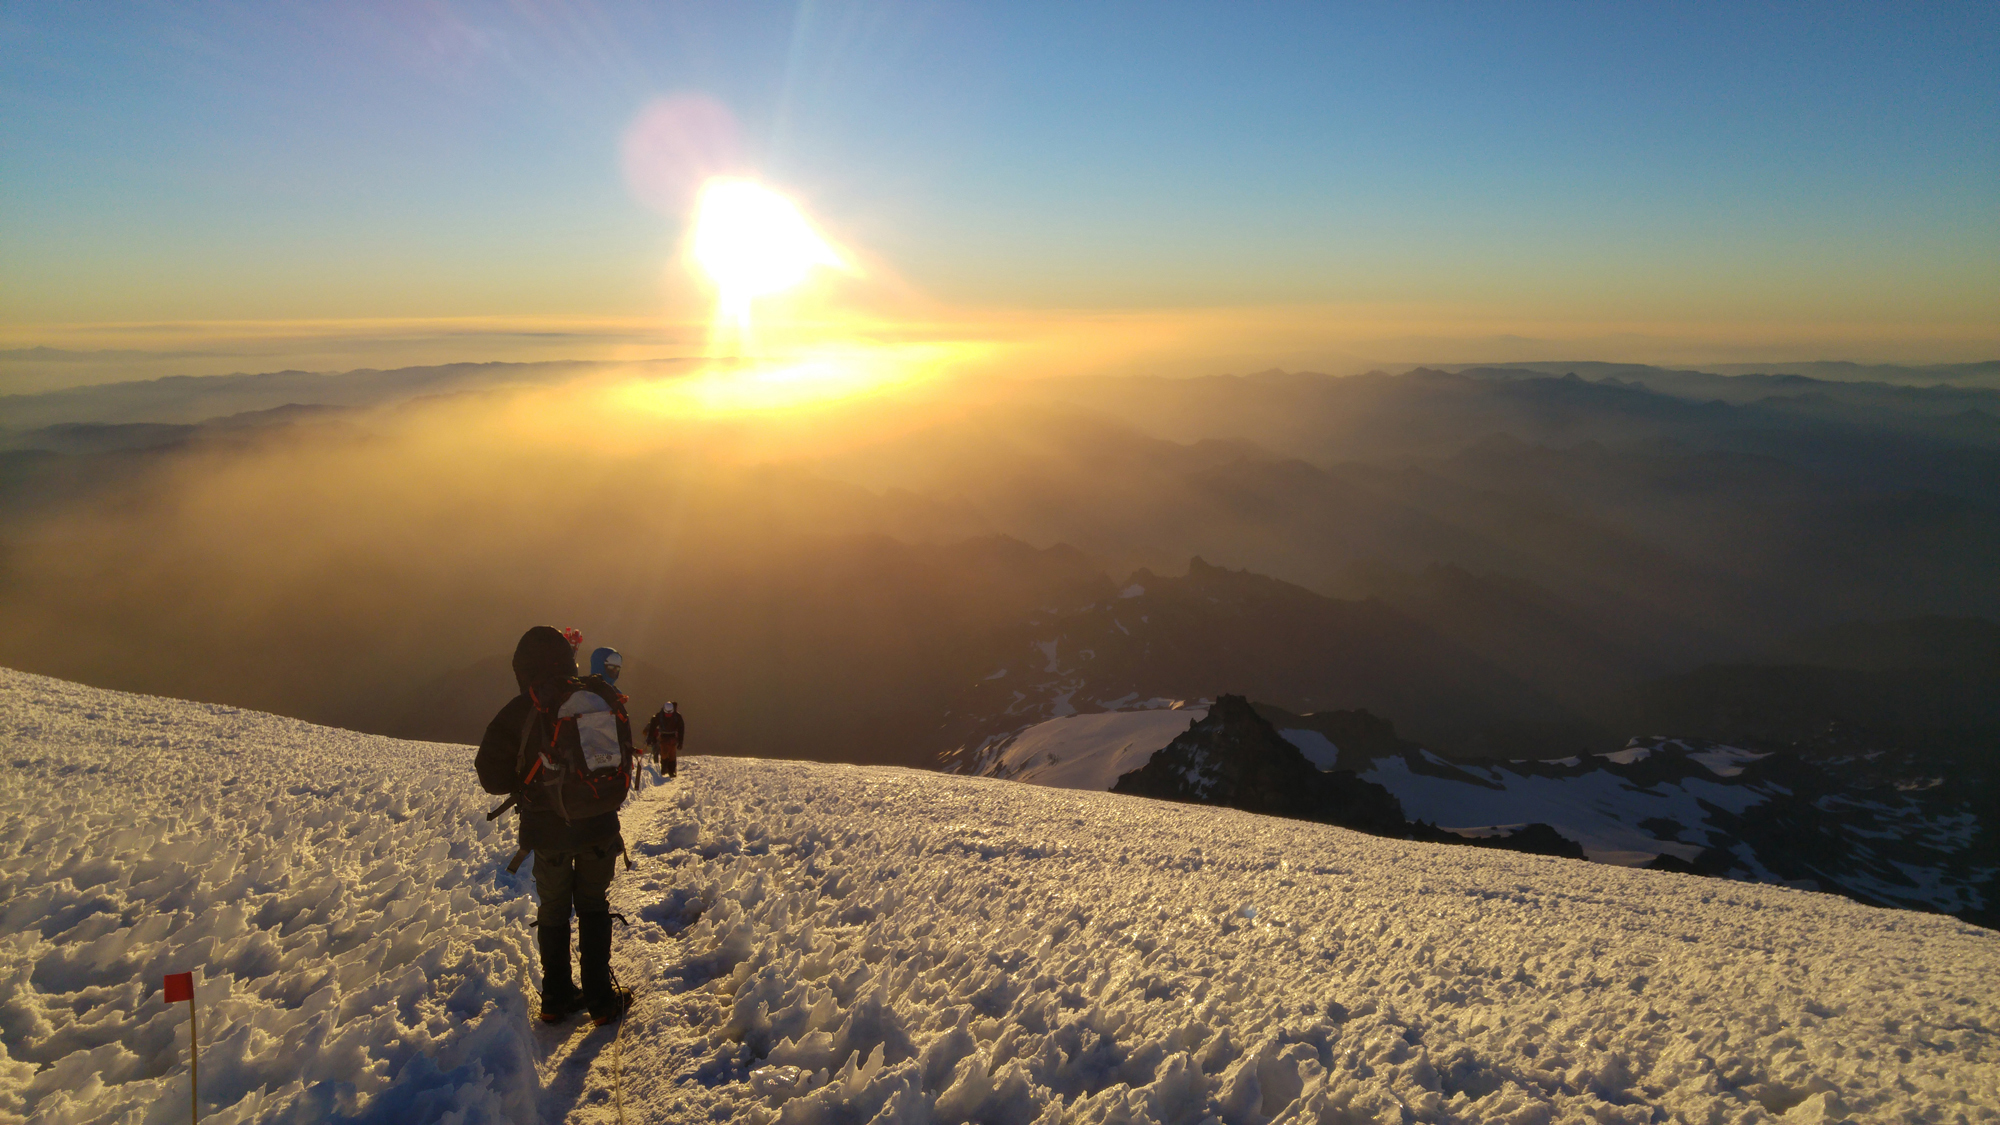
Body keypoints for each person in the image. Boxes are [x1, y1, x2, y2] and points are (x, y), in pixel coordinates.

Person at [476, 626, 634, 1026]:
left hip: (547, 832)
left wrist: (526, 784)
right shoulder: (598, 697)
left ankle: (556, 997)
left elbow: (490, 777)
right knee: (594, 906)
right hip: (599, 823)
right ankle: (600, 1001)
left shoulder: (522, 708)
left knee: (553, 909)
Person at [645, 701, 684, 780]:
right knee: (664, 752)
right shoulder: (660, 716)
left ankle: (671, 770)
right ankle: (665, 768)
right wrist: (650, 738)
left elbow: (681, 729)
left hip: (672, 737)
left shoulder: (677, 717)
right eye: (667, 714)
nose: (668, 715)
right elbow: (652, 727)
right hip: (663, 736)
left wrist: (680, 741)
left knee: (672, 752)